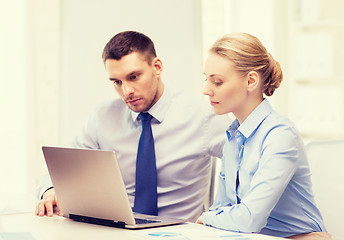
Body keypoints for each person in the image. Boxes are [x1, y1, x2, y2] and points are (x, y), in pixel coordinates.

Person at [35, 31, 230, 221]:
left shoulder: (204, 117)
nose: (127, 91)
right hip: (117, 232)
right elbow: (64, 168)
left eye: (134, 77)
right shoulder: (103, 117)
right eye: (117, 82)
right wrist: (51, 190)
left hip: (180, 234)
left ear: (157, 67)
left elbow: (250, 168)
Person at [197, 32, 330, 239]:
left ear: (251, 81)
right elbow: (221, 209)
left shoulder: (280, 135)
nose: (206, 90)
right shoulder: (232, 138)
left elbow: (249, 219)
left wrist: (206, 218)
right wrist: (211, 217)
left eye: (218, 82)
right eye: (207, 80)